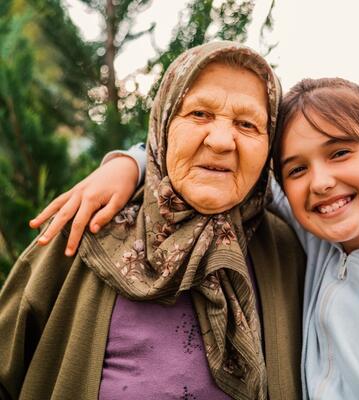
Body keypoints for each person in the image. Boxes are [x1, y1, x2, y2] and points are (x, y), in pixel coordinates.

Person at [33, 76, 359, 399]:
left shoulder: (309, 236)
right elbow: (213, 166)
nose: (320, 182)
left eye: (340, 153)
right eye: (297, 169)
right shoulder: (317, 236)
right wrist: (130, 164)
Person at [0, 41, 305, 400]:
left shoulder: (288, 248)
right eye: (199, 114)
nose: (222, 140)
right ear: (163, 123)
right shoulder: (87, 223)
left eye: (247, 123)